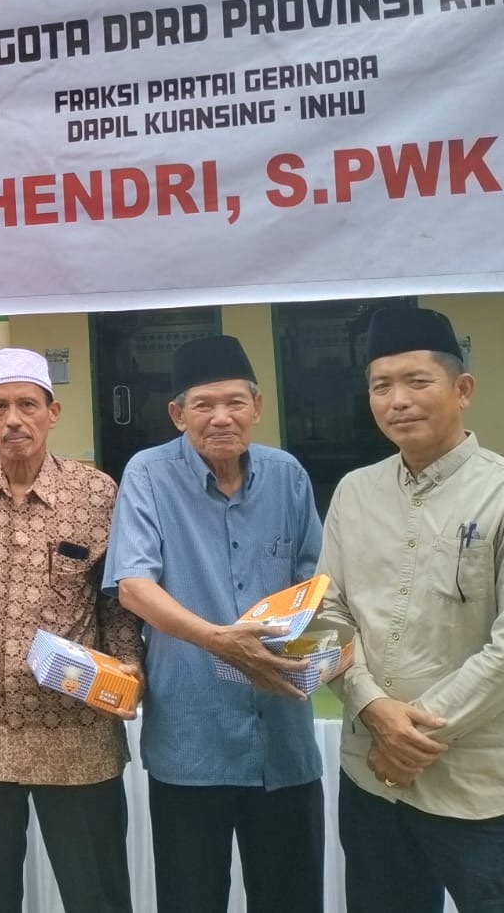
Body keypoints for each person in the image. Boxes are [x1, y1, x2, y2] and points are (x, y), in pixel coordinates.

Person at [318, 307, 504, 913]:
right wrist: (373, 708)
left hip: (480, 788)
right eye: (381, 386)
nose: (397, 400)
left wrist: (409, 735)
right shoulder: (354, 491)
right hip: (369, 778)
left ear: (463, 389)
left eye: (417, 381)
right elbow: (328, 611)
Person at [103, 335, 324, 913]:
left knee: (292, 898)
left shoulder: (288, 476)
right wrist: (219, 642)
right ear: (178, 414)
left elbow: (318, 585)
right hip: (191, 742)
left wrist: (327, 651)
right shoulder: (147, 474)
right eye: (203, 405)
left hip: (283, 739)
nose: (221, 417)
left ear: (257, 406)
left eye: (234, 402)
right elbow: (133, 585)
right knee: (191, 898)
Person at [0, 348, 141, 913]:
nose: (13, 419)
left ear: (54, 412)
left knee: (97, 892)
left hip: (78, 732)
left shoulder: (95, 493)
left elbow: (115, 601)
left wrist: (129, 669)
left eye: (27, 404)